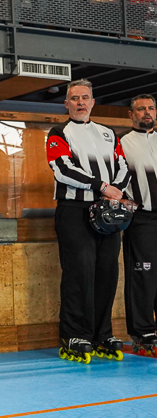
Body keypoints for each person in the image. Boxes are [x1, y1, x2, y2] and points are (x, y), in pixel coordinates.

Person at [45, 79, 130, 362]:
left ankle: (102, 333)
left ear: (93, 102)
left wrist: (113, 193)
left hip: (108, 212)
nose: (80, 102)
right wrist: (102, 187)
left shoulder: (108, 133)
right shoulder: (59, 132)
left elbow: (123, 167)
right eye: (74, 98)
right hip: (73, 212)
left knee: (107, 274)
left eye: (85, 98)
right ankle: (74, 334)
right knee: (78, 274)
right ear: (66, 104)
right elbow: (62, 169)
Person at [120, 94, 157, 356]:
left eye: (151, 108)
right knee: (143, 276)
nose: (147, 112)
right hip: (142, 219)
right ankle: (143, 333)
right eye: (141, 109)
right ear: (131, 114)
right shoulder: (122, 143)